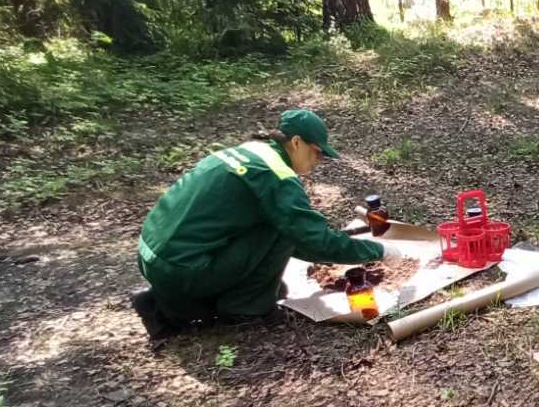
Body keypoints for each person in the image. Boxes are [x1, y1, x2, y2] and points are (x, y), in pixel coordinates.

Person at [132, 108, 390, 345]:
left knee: (275, 278)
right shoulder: (275, 176)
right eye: (317, 152)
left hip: (153, 256)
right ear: (296, 142)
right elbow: (311, 240)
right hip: (184, 268)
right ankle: (243, 310)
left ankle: (166, 304)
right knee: (281, 229)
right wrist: (378, 251)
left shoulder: (244, 154)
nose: (318, 161)